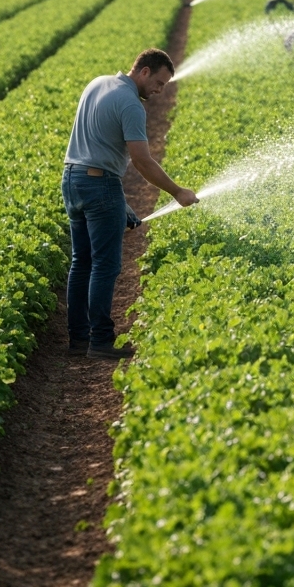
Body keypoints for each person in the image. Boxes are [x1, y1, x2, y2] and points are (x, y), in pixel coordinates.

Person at [62, 48, 199, 359]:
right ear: (145, 71)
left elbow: (96, 144)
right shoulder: (132, 105)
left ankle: (78, 341)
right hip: (100, 184)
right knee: (105, 265)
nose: (160, 91)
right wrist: (178, 192)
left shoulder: (97, 83)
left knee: (81, 262)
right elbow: (142, 161)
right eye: (160, 83)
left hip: (73, 178)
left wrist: (119, 205)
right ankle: (101, 341)